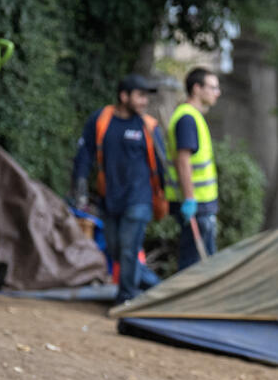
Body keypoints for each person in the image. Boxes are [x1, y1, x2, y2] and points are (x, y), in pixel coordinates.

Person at [72, 74, 170, 304]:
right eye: (140, 95)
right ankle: (157, 288)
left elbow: (163, 165)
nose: (144, 101)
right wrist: (80, 183)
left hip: (139, 199)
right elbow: (85, 153)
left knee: (128, 250)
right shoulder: (101, 120)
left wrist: (170, 199)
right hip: (110, 198)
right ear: (123, 96)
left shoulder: (148, 126)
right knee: (116, 251)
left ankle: (126, 298)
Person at [166, 66, 222, 270]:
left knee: (201, 264)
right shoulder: (187, 118)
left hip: (201, 205)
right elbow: (183, 161)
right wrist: (189, 199)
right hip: (196, 206)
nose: (218, 92)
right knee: (195, 266)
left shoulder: (192, 116)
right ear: (197, 89)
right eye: (213, 87)